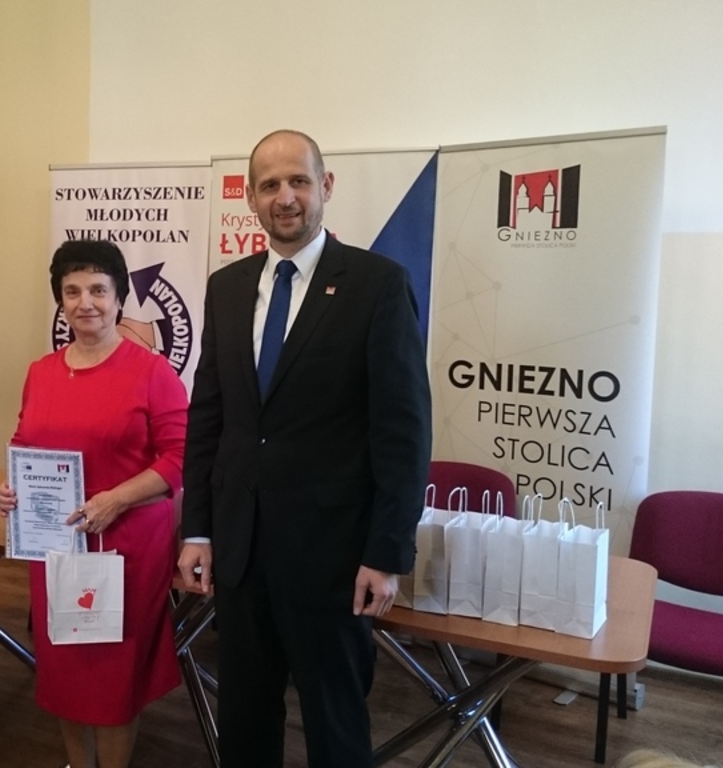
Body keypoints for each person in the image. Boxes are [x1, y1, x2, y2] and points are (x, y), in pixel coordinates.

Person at [178, 130, 432, 767]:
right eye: (269, 185)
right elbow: (209, 419)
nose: (284, 197)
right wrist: (198, 530)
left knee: (335, 724)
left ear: (326, 186)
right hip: (240, 551)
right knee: (244, 719)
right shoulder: (227, 287)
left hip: (334, 558)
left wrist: (387, 552)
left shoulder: (377, 285)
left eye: (298, 181)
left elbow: (403, 433)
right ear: (251, 199)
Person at [0, 240, 187, 768]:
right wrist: (13, 489)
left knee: (113, 676)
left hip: (126, 549)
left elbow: (180, 458)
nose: (86, 303)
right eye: (72, 291)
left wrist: (116, 499)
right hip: (56, 545)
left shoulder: (152, 373)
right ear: (60, 300)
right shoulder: (41, 371)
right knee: (64, 669)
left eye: (99, 290)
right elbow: (25, 444)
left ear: (119, 297)